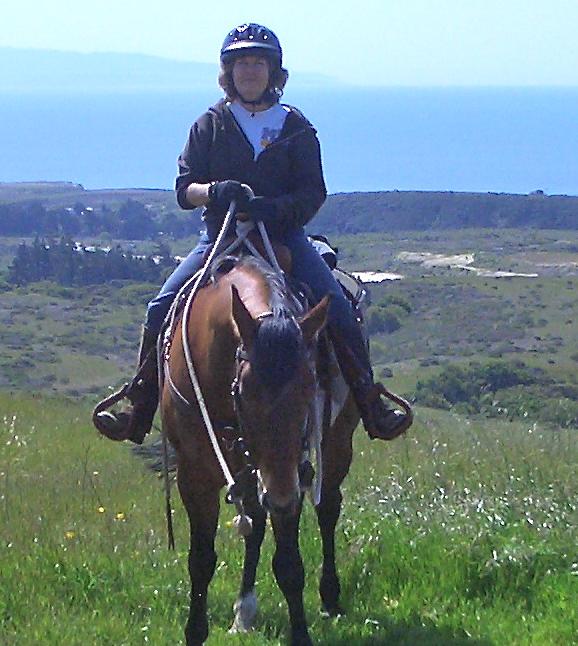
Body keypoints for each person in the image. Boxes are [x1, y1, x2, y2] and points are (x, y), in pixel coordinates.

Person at [93, 24, 413, 445]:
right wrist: (215, 191)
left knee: (335, 306)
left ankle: (370, 404)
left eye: (258, 62)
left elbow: (313, 192)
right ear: (229, 71)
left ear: (273, 71)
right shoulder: (209, 124)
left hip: (284, 240)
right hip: (221, 240)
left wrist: (275, 209)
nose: (249, 70)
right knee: (161, 308)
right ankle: (140, 405)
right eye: (241, 62)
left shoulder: (295, 127)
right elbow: (184, 190)